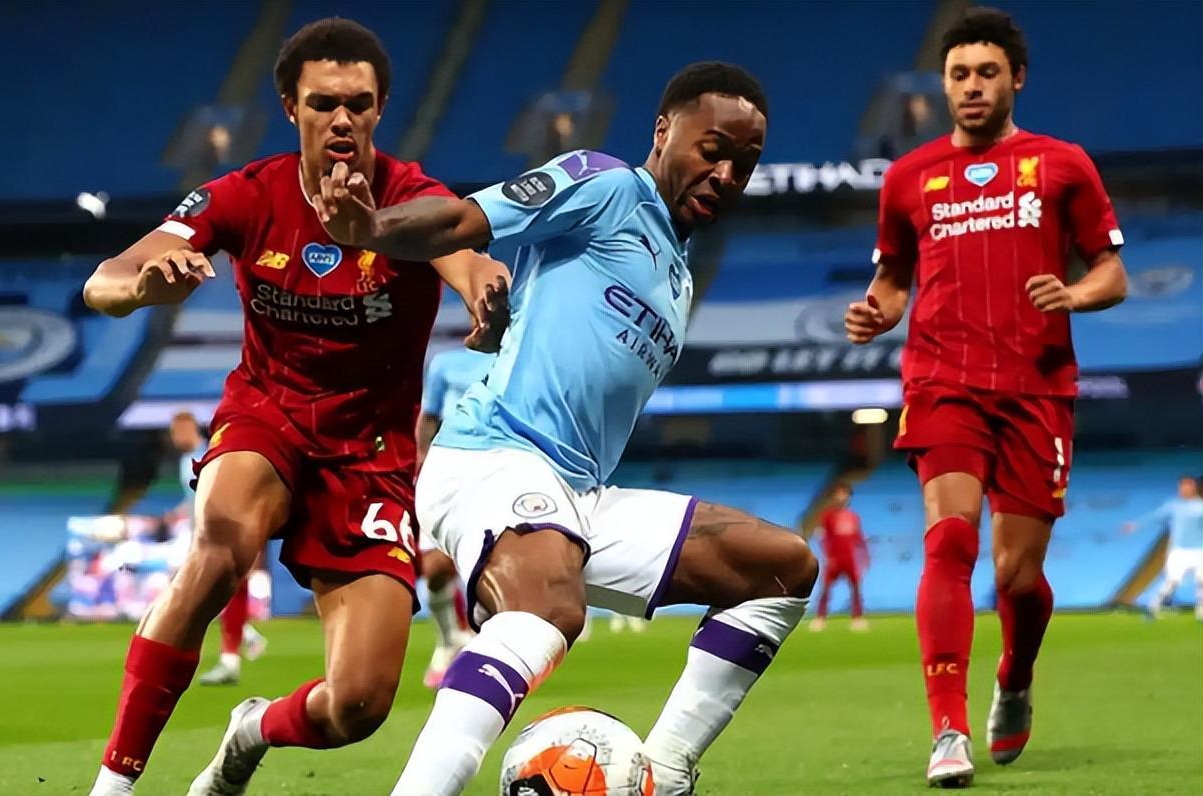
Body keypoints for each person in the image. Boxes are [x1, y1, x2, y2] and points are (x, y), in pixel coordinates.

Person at [313, 60, 817, 796]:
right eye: (712, 150)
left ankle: (664, 773)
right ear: (664, 130)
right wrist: (370, 229)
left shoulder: (679, 273)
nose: (726, 174)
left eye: (745, 163)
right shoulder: (605, 185)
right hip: (495, 456)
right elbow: (462, 222)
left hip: (580, 495)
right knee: (548, 610)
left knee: (780, 568)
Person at [81, 18, 509, 796]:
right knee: (220, 545)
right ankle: (113, 785)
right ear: (291, 107)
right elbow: (104, 279)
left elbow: (469, 259)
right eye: (323, 103)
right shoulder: (247, 194)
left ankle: (251, 730)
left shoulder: (414, 199)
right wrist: (142, 286)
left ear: (380, 109)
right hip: (267, 416)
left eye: (358, 104)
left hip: (371, 455)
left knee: (358, 705)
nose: (342, 119)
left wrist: (488, 298)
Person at [845, 7, 1128, 787]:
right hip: (942, 379)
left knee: (1016, 579)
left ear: (1016, 79)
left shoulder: (1062, 165)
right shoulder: (908, 177)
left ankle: (1016, 674)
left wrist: (1074, 294)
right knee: (948, 541)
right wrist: (878, 311)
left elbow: (1113, 272)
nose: (972, 86)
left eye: (987, 73)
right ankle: (948, 728)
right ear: (944, 84)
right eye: (959, 74)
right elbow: (893, 277)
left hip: (1038, 387)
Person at [164, 411, 270, 687]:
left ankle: (229, 654)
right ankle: (243, 641)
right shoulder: (187, 461)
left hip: (222, 534)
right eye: (175, 432)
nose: (178, 437)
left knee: (204, 592)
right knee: (208, 593)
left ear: (193, 430)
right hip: (202, 536)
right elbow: (194, 501)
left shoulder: (211, 454)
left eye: (182, 430)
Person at [415, 346, 494, 687]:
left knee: (491, 563)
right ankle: (449, 639)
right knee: (434, 568)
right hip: (447, 468)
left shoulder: (517, 355)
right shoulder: (445, 364)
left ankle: (488, 652)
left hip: (497, 467)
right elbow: (429, 416)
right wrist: (421, 458)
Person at [1124, 475, 1203, 620]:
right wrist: (1136, 524)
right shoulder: (1174, 506)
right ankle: (1152, 608)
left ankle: (1201, 612)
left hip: (1199, 550)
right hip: (1179, 551)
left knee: (1201, 581)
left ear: (1194, 488)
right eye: (1182, 486)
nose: (1184, 489)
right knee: (1171, 582)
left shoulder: (1200, 506)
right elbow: (1155, 516)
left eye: (1187, 486)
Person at [809, 483, 869, 632]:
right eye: (839, 494)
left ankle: (857, 618)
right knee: (826, 588)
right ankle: (820, 618)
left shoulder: (853, 517)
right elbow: (823, 538)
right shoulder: (828, 516)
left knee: (856, 588)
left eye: (845, 494)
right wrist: (828, 556)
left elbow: (859, 538)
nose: (842, 497)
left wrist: (864, 557)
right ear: (833, 497)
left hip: (850, 559)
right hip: (834, 559)